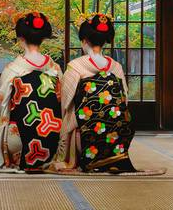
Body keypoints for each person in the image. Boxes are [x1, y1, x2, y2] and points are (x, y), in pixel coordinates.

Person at [51, 12, 137, 174]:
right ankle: (114, 157)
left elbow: (66, 101)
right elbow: (124, 100)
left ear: (84, 40)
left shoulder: (76, 65)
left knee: (69, 114)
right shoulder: (116, 66)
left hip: (86, 130)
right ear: (105, 40)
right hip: (116, 131)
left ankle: (82, 158)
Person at [0, 12, 63, 172]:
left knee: (10, 125)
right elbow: (63, 105)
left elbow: (3, 109)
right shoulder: (55, 69)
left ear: (20, 38)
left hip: (20, 142)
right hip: (52, 139)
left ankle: (19, 157)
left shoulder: (12, 69)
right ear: (43, 38)